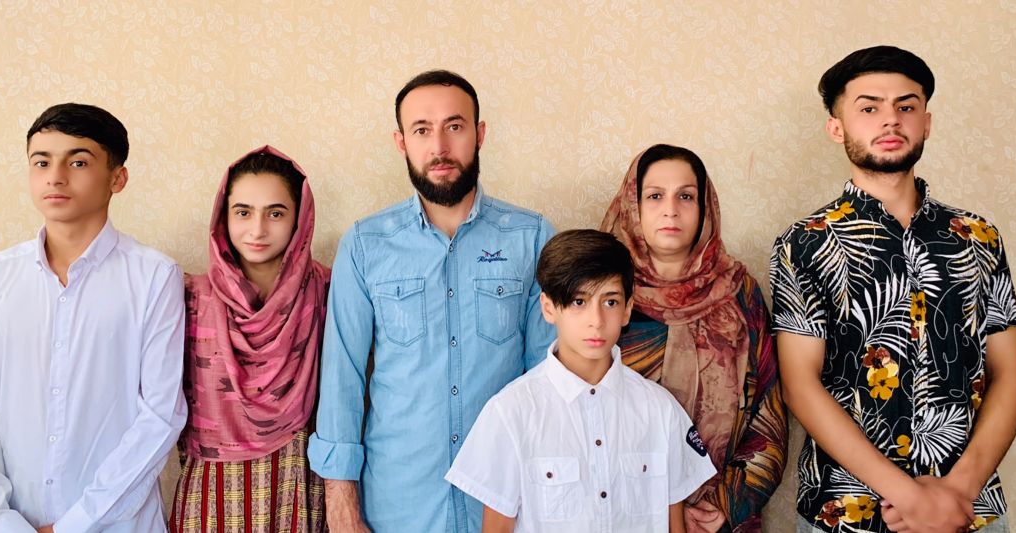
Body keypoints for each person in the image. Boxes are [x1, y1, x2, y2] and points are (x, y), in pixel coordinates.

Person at [770, 45, 1016, 533]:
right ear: (837, 127)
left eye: (906, 106)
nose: (890, 121)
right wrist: (908, 495)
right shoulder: (805, 243)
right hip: (845, 513)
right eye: (868, 108)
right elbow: (799, 385)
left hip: (968, 511)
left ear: (926, 122)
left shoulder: (978, 236)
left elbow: (1011, 375)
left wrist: (959, 491)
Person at [307, 70, 556, 533]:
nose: (439, 146)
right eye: (422, 129)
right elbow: (342, 377)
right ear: (401, 142)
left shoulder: (533, 238)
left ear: (480, 134)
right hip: (399, 503)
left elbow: (550, 379)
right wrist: (340, 502)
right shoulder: (364, 245)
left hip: (506, 501)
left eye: (455, 126)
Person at [0, 103, 187, 532]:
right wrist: (1, 524)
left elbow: (160, 417)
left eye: (77, 161)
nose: (55, 176)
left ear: (118, 177)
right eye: (41, 162)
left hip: (118, 526)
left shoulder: (154, 277)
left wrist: (76, 524)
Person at [446, 229, 717, 532]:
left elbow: (674, 525)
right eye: (578, 301)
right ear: (549, 308)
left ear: (628, 308)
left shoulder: (660, 410)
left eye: (610, 302)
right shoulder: (510, 413)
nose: (596, 320)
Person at [599, 144, 787, 532]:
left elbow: (769, 412)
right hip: (623, 514)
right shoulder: (601, 294)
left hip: (721, 520)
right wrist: (665, 510)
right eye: (654, 196)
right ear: (632, 206)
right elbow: (575, 414)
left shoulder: (740, 292)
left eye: (686, 196)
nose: (671, 209)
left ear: (705, 207)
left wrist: (725, 504)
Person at [169, 146, 330, 532]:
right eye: (243, 212)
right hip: (209, 491)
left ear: (299, 219)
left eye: (275, 213)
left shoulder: (326, 291)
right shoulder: (189, 297)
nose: (257, 229)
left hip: (298, 480)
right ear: (223, 218)